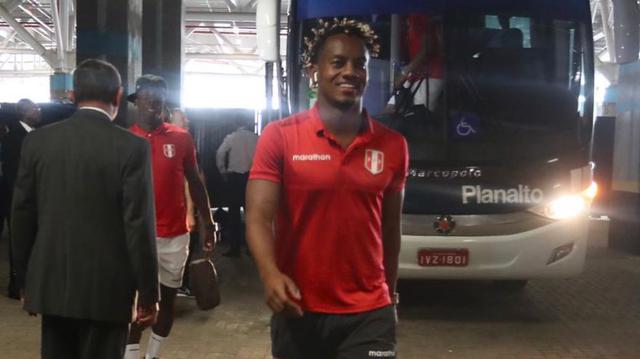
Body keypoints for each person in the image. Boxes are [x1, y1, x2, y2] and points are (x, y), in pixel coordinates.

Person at [246, 18, 408, 359]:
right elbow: (259, 218)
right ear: (313, 71)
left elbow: (390, 229)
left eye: (359, 64)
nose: (350, 71)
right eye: (337, 62)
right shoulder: (280, 136)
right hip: (299, 307)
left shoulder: (393, 145)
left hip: (369, 313)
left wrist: (389, 295)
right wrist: (269, 274)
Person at [10, 59, 159, 359]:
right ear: (117, 96)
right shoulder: (131, 148)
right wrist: (147, 292)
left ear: (73, 96)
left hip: (53, 285)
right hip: (107, 290)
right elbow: (138, 223)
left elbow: (22, 214)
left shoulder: (38, 142)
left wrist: (24, 278)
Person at [126, 75, 217, 359]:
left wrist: (208, 222)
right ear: (136, 100)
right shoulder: (125, 140)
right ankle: (129, 354)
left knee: (167, 301)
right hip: (135, 235)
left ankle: (152, 355)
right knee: (135, 303)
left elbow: (195, 181)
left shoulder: (181, 138)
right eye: (147, 96)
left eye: (158, 97)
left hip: (174, 236)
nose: (153, 102)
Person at [2, 98, 41, 300]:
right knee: (19, 241)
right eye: (35, 108)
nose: (39, 111)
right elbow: (12, 172)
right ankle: (16, 285)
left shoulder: (31, 135)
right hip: (17, 199)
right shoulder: (15, 137)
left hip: (28, 198)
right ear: (26, 112)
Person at [216, 119, 258, 257]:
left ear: (235, 124)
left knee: (234, 215)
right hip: (252, 179)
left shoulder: (231, 137)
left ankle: (235, 249)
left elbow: (220, 154)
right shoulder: (257, 138)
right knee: (252, 215)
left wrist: (223, 171)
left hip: (234, 179)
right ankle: (252, 248)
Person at [387, 14, 444, 114]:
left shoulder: (421, 15)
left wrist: (404, 74)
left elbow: (427, 49)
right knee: (390, 109)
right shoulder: (410, 16)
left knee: (417, 116)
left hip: (430, 75)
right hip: (415, 74)